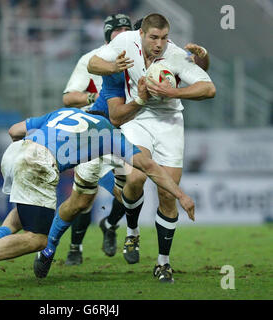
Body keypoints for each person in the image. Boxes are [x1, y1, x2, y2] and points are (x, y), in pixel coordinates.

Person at [0, 107, 195, 289]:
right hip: (38, 163)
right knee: (37, 239)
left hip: (16, 151)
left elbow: (14, 130)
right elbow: (150, 168)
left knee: (25, 210)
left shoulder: (65, 112)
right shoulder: (109, 132)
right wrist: (181, 196)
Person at [87, 13, 215, 282]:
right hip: (138, 117)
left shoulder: (176, 55)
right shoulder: (124, 42)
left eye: (164, 38)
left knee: (167, 195)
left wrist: (174, 93)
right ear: (142, 34)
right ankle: (132, 232)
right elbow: (93, 63)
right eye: (154, 37)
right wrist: (112, 68)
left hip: (170, 121)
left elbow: (208, 88)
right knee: (135, 177)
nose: (159, 44)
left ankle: (163, 263)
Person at [61, 14, 133, 266]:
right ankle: (74, 247)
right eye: (117, 30)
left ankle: (110, 224)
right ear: (107, 36)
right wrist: (97, 99)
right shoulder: (91, 60)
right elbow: (69, 98)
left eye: (127, 29)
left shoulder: (138, 60)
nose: (123, 33)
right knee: (86, 194)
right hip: (93, 133)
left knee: (131, 189)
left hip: (126, 130)